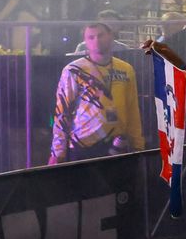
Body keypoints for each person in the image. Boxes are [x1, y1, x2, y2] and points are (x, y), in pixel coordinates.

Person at [49, 21, 142, 163]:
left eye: (100, 35)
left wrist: (138, 145)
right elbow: (62, 111)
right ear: (85, 41)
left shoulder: (126, 69)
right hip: (83, 144)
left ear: (111, 36)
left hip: (117, 145)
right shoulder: (73, 70)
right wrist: (57, 152)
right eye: (91, 37)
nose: (96, 40)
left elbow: (132, 108)